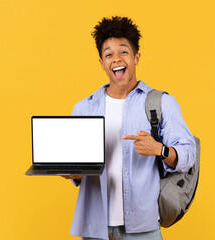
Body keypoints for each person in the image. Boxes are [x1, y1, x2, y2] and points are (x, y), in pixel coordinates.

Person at [62, 16, 196, 240]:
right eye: (108, 54)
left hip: (142, 228)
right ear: (102, 63)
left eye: (123, 52)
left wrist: (160, 149)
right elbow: (79, 171)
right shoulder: (84, 108)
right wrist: (71, 171)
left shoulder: (161, 103)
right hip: (96, 229)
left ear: (136, 57)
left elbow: (188, 153)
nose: (116, 59)